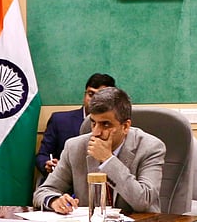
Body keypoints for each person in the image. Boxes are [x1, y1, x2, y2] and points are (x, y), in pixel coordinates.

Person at [33, 87, 164, 214]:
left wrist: (108, 160)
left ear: (125, 126)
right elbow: (43, 191)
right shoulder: (74, 147)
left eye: (105, 124)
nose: (95, 132)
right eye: (93, 123)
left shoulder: (150, 147)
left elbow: (143, 201)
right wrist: (54, 200)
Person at [35, 73, 116, 184]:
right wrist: (47, 164)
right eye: (91, 94)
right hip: (66, 185)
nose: (94, 100)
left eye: (100, 96)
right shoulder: (60, 120)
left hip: (104, 183)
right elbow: (42, 155)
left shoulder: (116, 125)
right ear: (85, 94)